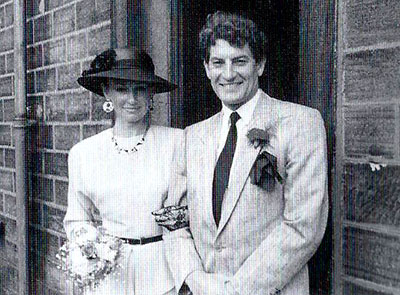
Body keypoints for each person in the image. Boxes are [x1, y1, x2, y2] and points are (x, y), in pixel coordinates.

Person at [155, 11, 328, 295]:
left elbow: (303, 225)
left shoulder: (301, 123)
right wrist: (195, 277)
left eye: (240, 61)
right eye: (218, 63)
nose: (228, 73)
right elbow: (175, 220)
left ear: (259, 65)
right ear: (207, 68)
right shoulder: (192, 136)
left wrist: (236, 290)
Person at [63, 47, 181, 295]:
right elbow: (77, 218)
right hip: (110, 277)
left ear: (151, 93)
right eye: (122, 89)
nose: (132, 99)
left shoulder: (178, 143)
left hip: (165, 275)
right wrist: (91, 249)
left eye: (140, 89)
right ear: (106, 91)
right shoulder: (84, 153)